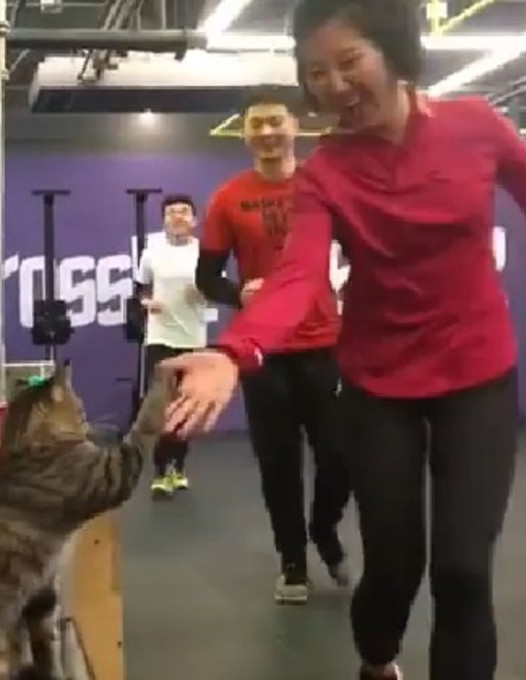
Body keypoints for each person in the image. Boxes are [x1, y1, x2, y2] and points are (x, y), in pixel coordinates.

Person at [162, 1, 526, 679]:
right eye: (316, 73)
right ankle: (377, 662)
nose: (333, 86)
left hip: (477, 374)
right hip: (379, 382)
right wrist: (233, 351)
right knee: (394, 568)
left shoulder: (475, 125)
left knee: (463, 572)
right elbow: (299, 277)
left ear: (394, 52)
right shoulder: (326, 173)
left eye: (348, 63)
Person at [195, 86, 352, 605]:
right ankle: (293, 561)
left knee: (340, 456)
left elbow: (363, 250)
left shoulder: (321, 186)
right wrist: (238, 292)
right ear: (244, 134)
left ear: (294, 126)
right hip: (264, 352)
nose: (266, 132)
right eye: (256, 124)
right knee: (278, 464)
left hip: (325, 344)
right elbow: (207, 277)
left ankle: (324, 528)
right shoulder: (228, 198)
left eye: (275, 121)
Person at [134, 194, 208, 499]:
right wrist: (146, 302)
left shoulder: (205, 253)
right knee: (164, 407)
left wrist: (203, 294)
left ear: (194, 220)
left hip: (194, 339)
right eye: (171, 212)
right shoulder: (152, 252)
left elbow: (215, 288)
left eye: (184, 212)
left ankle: (178, 467)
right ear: (164, 220)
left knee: (186, 408)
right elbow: (140, 290)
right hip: (161, 337)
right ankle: (160, 471)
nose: (178, 217)